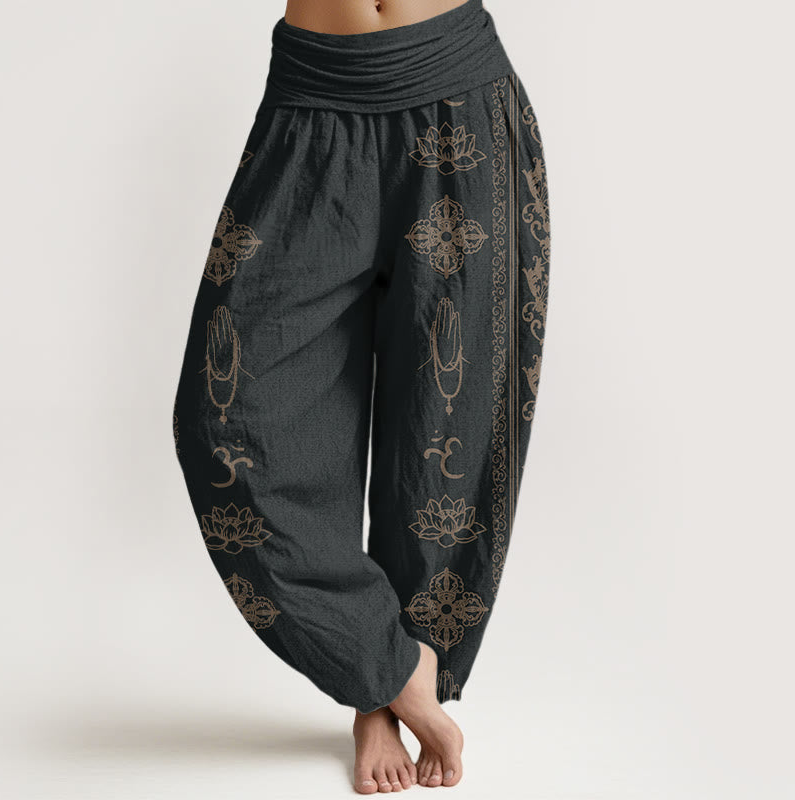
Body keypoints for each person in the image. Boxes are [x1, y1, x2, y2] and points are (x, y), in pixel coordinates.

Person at [172, 0, 551, 792]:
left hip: (457, 92)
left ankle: (383, 694)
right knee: (225, 419)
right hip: (310, 106)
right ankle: (385, 662)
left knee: (445, 425)